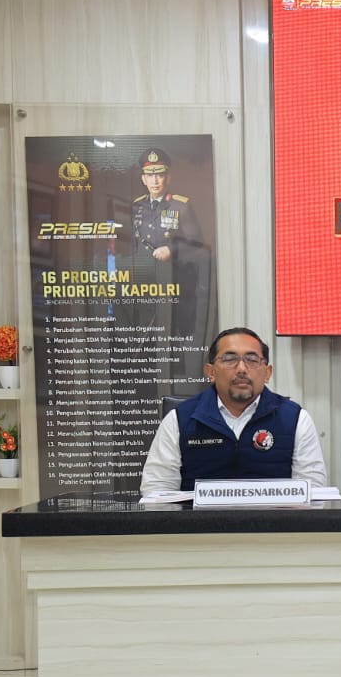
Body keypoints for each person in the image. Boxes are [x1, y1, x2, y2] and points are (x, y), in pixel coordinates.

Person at [140, 327, 326, 494]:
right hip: (199, 522)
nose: (241, 369)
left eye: (252, 360)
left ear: (267, 373)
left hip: (273, 522)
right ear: (211, 372)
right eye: (230, 359)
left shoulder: (295, 419)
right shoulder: (180, 419)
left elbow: (312, 492)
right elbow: (157, 491)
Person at [130, 146, 211, 344]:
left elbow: (197, 246)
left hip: (175, 285)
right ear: (143, 179)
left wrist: (172, 250)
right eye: (150, 176)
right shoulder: (137, 206)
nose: (155, 181)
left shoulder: (180, 206)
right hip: (146, 286)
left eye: (159, 175)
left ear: (168, 178)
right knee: (146, 340)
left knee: (175, 339)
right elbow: (134, 245)